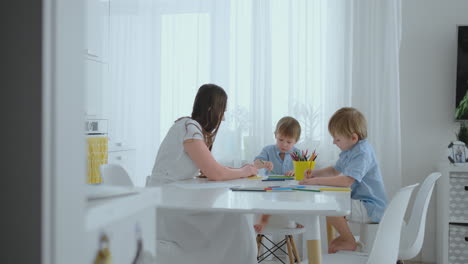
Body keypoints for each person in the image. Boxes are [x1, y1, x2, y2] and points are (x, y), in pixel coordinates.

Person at [147, 84, 258, 264]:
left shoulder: (189, 127)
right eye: (222, 112)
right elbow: (215, 173)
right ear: (211, 109)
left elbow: (213, 169)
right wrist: (245, 171)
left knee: (234, 219)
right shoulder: (189, 127)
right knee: (237, 218)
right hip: (168, 203)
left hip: (171, 197)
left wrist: (239, 172)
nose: (222, 119)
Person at [299, 107, 387, 253]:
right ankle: (346, 238)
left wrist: (317, 181)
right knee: (330, 203)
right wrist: (314, 173)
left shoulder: (362, 153)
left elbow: (346, 181)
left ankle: (348, 239)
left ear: (353, 137)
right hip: (362, 203)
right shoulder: (350, 151)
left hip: (371, 207)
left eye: (337, 139)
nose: (334, 142)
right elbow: (334, 170)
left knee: (329, 205)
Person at [253, 116, 303, 233]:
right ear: (275, 135)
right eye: (280, 140)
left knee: (299, 196)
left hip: (290, 187)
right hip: (272, 185)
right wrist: (264, 163)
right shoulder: (268, 150)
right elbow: (255, 163)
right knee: (268, 200)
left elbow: (302, 173)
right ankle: (264, 220)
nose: (284, 144)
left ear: (296, 141)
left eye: (289, 142)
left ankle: (297, 218)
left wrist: (295, 172)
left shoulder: (297, 153)